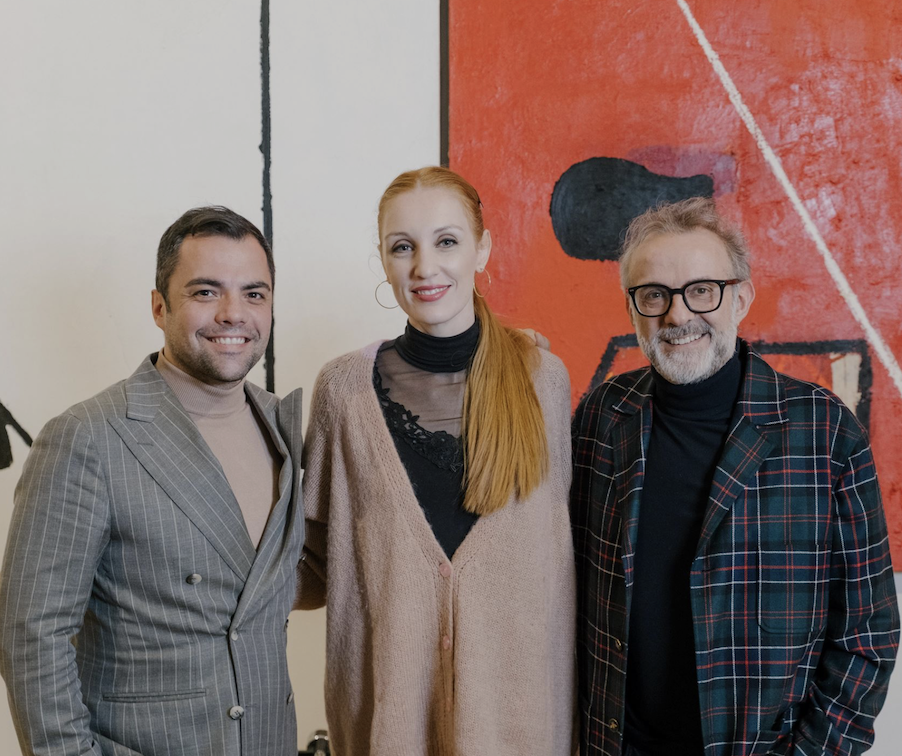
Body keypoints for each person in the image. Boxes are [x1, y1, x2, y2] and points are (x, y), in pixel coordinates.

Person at [571, 196, 900, 756]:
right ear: (632, 308)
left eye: (702, 290)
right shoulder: (603, 416)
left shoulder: (823, 431)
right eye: (654, 295)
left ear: (741, 298)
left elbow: (868, 632)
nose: (678, 316)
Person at [0, 207, 305, 756]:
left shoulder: (283, 427)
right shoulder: (87, 437)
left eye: (254, 294)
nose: (234, 314)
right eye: (206, 292)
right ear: (159, 307)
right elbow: (30, 637)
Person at [296, 166, 576, 755]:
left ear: (482, 248)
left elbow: (558, 559)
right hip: (386, 728)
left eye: (446, 241)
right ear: (383, 259)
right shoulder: (342, 393)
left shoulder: (543, 382)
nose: (425, 267)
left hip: (519, 729)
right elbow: (313, 562)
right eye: (403, 247)